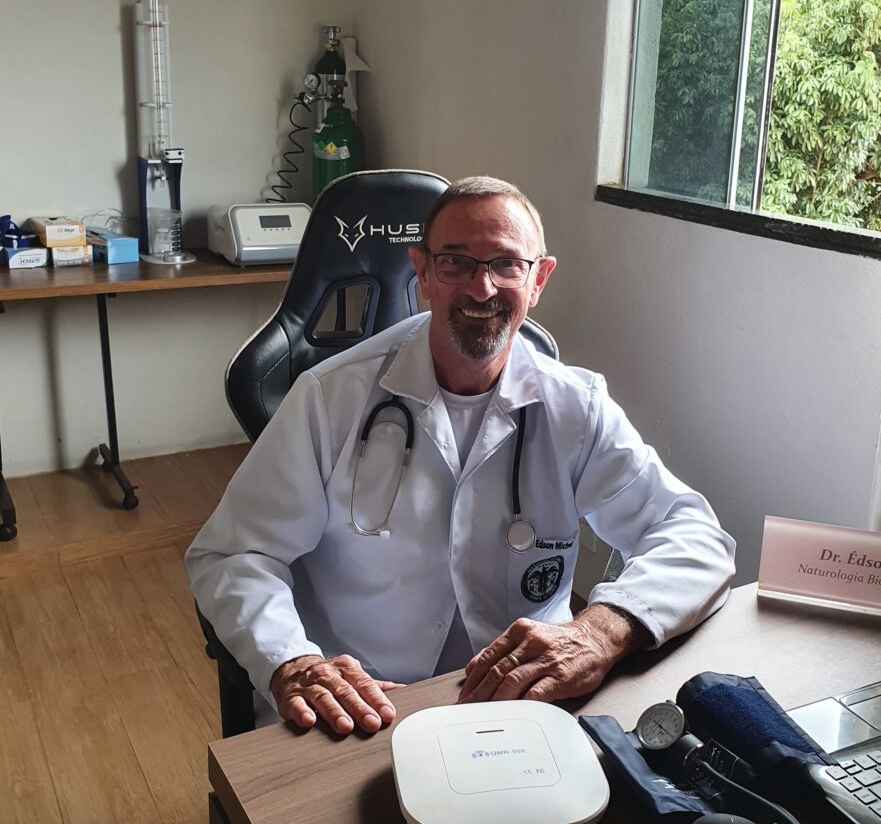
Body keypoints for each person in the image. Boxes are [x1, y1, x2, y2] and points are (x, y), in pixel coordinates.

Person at [187, 177, 735, 736]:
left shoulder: (576, 405)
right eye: (455, 263)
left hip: (525, 700)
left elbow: (694, 534)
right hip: (364, 705)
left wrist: (599, 630)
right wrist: (292, 660)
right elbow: (234, 554)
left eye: (506, 264)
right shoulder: (329, 398)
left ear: (539, 279)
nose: (482, 288)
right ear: (422, 272)